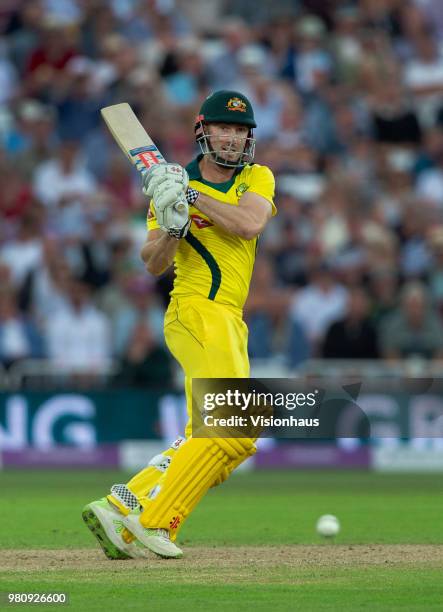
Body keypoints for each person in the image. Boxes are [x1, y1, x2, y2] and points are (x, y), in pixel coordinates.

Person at [82, 90, 276, 559]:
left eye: (240, 130)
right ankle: (156, 521)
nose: (232, 139)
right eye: (223, 128)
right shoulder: (168, 186)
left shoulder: (256, 177)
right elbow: (151, 263)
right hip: (195, 311)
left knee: (219, 442)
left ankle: (122, 505)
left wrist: (192, 198)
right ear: (202, 130)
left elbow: (249, 224)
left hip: (230, 318)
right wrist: (172, 226)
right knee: (235, 427)